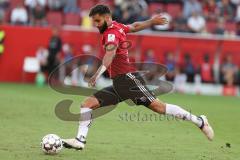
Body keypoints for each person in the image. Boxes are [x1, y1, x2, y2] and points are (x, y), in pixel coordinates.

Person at [62, 5, 214, 150]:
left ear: (107, 18)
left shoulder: (111, 33)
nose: (95, 24)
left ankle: (199, 121)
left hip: (129, 80)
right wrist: (151, 21)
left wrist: (96, 74)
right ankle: (80, 140)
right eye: (94, 21)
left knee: (159, 107)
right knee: (87, 104)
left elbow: (110, 54)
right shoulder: (117, 26)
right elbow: (134, 26)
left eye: (97, 21)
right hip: (119, 84)